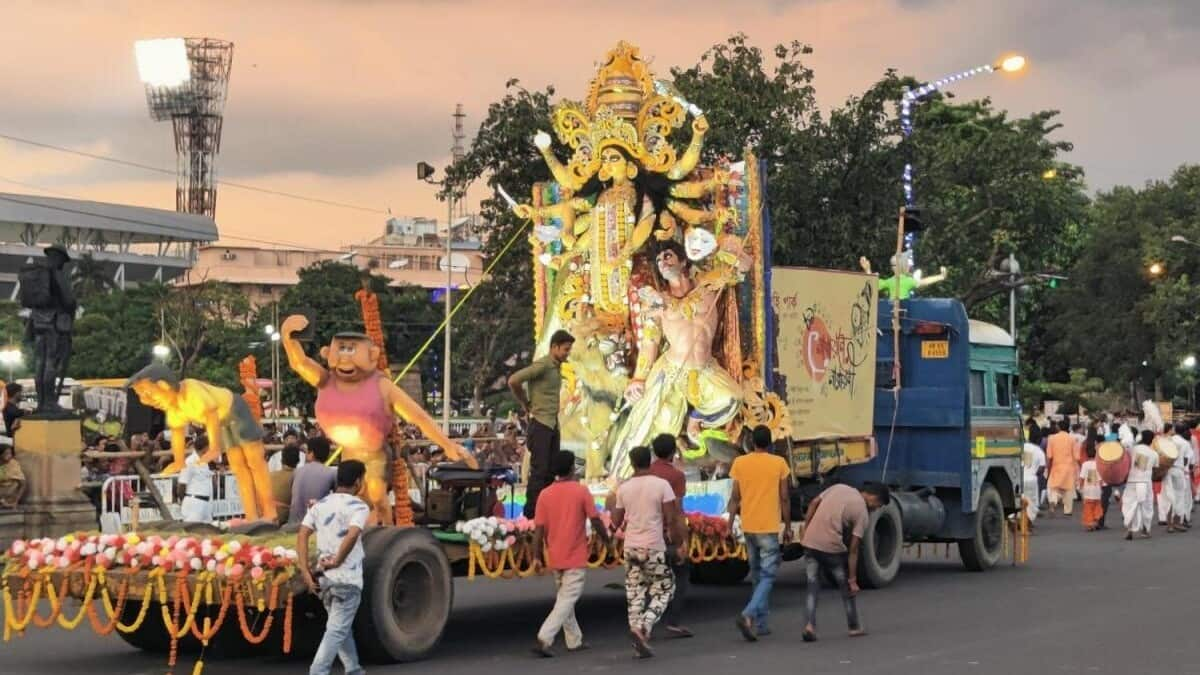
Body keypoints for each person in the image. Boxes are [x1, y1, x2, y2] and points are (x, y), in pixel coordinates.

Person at [606, 240, 746, 478]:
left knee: (733, 399)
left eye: (668, 256)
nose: (664, 262)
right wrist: (639, 378)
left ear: (684, 260)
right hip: (670, 369)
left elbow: (744, 265)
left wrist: (721, 245)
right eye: (659, 260)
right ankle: (618, 477)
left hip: (705, 368)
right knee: (646, 422)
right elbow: (650, 342)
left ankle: (696, 419)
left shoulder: (709, 285)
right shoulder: (656, 301)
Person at [127, 363, 277, 522]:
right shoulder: (174, 407)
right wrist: (178, 461)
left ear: (163, 385)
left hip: (235, 409)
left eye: (147, 393)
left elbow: (211, 413)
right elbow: (177, 432)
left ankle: (269, 512)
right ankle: (251, 516)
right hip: (223, 422)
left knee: (255, 462)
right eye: (140, 395)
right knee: (238, 467)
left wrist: (214, 448)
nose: (145, 400)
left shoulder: (191, 392)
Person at [531, 450, 609, 658]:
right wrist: (607, 539)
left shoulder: (545, 494)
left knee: (564, 599)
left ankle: (574, 640)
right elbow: (595, 520)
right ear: (573, 468)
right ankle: (544, 637)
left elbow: (538, 530)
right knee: (567, 600)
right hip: (575, 555)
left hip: (554, 555)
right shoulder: (581, 491)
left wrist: (536, 556)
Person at [610, 445, 685, 658]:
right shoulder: (661, 485)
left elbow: (616, 520)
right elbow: (671, 519)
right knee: (665, 588)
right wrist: (678, 543)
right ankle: (645, 625)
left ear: (632, 464)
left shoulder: (624, 488)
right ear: (649, 461)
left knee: (634, 593)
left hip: (631, 546)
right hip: (654, 545)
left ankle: (637, 634)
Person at [298, 460, 370, 675]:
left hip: (324, 579)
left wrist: (304, 571)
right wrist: (339, 559)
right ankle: (318, 671)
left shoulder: (320, 505)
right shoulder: (359, 506)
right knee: (337, 630)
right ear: (358, 481)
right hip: (347, 579)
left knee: (340, 627)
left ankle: (354, 669)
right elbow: (353, 533)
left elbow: (302, 534)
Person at [799, 482, 890, 642]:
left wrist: (807, 530)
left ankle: (809, 626)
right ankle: (854, 627)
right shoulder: (862, 512)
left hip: (810, 543)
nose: (875, 509)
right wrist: (853, 579)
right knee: (846, 588)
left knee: (812, 586)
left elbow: (813, 503)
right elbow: (854, 548)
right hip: (832, 549)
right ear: (874, 497)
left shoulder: (838, 487)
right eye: (877, 505)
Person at [727, 425, 791, 641]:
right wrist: (789, 525)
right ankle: (748, 614)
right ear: (770, 443)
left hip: (749, 526)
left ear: (751, 442)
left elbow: (735, 498)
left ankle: (762, 623)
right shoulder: (779, 463)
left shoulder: (740, 463)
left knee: (756, 574)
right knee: (768, 575)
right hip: (769, 527)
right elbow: (784, 498)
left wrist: (728, 524)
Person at [508, 329, 575, 519]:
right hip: (541, 423)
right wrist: (525, 403)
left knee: (551, 471)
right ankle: (531, 514)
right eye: (565, 349)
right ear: (554, 347)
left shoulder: (556, 367)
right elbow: (513, 380)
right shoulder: (543, 365)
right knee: (539, 470)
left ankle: (547, 511)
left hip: (553, 424)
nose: (567, 353)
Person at [20, 245, 76, 413]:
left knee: (40, 363)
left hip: (38, 323)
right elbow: (68, 301)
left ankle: (42, 403)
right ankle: (49, 403)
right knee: (51, 363)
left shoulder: (37, 274)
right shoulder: (57, 274)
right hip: (55, 324)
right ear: (59, 259)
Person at [648, 432, 692, 638]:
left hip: (645, 535)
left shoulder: (643, 473)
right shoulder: (676, 476)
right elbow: (677, 512)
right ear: (673, 452)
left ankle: (645, 622)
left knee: (651, 580)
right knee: (681, 574)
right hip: (667, 536)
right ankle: (673, 621)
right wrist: (683, 541)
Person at [290, 436, 337, 526]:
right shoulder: (332, 473)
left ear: (311, 453)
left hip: (292, 525)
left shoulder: (297, 471)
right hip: (317, 525)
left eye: (307, 451)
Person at [1123, 430, 1159, 540]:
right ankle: (1145, 530)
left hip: (1132, 481)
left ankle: (1129, 529)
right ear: (1152, 440)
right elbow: (1156, 469)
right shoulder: (1154, 453)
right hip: (1146, 482)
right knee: (1147, 507)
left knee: (1130, 505)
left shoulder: (1133, 449)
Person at [1164, 424, 1193, 532]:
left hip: (1167, 470)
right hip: (1179, 470)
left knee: (1169, 497)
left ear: (1175, 430)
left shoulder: (1168, 440)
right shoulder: (1185, 443)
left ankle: (1169, 525)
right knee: (1179, 497)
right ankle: (1176, 523)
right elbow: (1186, 461)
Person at [1045, 420, 1077, 516]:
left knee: (1053, 487)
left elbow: (1049, 456)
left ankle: (1053, 502)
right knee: (1068, 490)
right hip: (1069, 467)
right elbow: (1075, 455)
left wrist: (1048, 468)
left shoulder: (1052, 438)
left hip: (1056, 466)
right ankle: (1068, 510)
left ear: (1058, 427)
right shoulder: (1072, 439)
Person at [178, 438, 214, 524]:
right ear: (206, 448)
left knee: (208, 532)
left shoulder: (205, 461)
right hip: (194, 502)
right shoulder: (189, 461)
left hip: (206, 503)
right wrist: (185, 500)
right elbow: (182, 484)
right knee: (192, 531)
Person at [271, 444, 301, 525]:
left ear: (281, 460)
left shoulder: (270, 476)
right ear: (298, 460)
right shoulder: (300, 477)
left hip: (267, 520)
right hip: (287, 522)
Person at [1078, 444, 1103, 531]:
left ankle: (1089, 524)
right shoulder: (1099, 464)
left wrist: (1080, 487)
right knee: (1097, 506)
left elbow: (1082, 477)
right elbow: (1100, 479)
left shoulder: (1085, 464)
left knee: (1088, 507)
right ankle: (1095, 521)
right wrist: (1101, 488)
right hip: (1096, 489)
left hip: (1087, 489)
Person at [1021, 438, 1046, 524]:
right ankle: (1027, 522)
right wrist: (1034, 473)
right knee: (1031, 503)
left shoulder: (1018, 448)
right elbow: (1042, 467)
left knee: (1019, 500)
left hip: (1018, 479)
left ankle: (1018, 520)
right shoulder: (1038, 450)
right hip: (1031, 479)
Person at [0, 441, 26, 508]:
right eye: (7, 453)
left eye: (10, 453)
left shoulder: (14, 464)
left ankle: (6, 502)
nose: (10, 456)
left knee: (16, 483)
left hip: (9, 492)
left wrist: (16, 501)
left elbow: (22, 484)